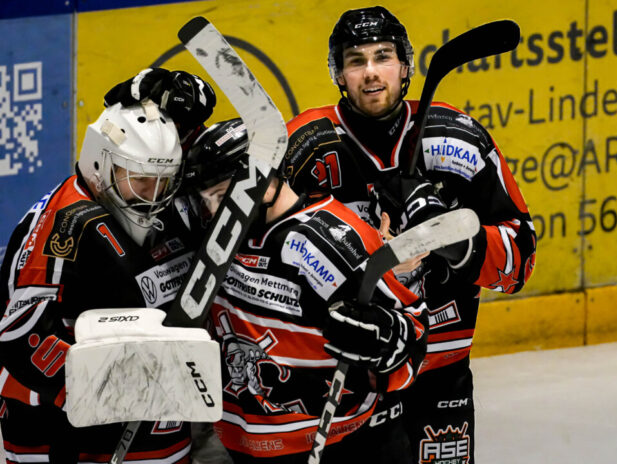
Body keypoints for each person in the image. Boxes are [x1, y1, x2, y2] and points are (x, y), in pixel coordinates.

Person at [283, 6, 537, 463]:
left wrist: (453, 239)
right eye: (356, 60)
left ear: (406, 66)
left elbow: (521, 259)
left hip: (440, 371)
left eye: (383, 56)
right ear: (338, 73)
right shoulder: (305, 148)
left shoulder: (456, 138)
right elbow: (254, 251)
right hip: (347, 376)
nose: (371, 72)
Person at [175, 118, 429, 463]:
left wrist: (386, 342)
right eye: (205, 200)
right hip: (241, 446)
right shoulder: (224, 232)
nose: (211, 212)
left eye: (220, 197)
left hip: (334, 446)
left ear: (264, 186)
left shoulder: (325, 240)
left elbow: (412, 336)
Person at [0, 100, 195, 463]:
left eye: (162, 181)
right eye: (139, 179)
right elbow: (20, 335)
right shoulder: (68, 225)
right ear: (99, 165)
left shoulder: (144, 203)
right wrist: (110, 389)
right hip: (59, 434)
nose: (152, 195)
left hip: (151, 428)